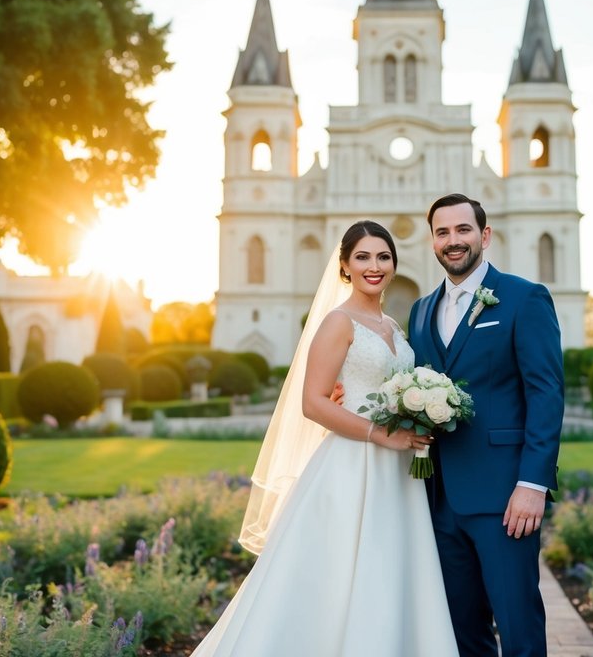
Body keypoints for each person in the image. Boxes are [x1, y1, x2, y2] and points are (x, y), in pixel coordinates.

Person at [193, 220, 459, 656]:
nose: (374, 266)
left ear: (394, 265)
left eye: (383, 257)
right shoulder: (338, 322)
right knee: (338, 575)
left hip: (399, 471)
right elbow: (314, 403)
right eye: (363, 257)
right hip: (353, 464)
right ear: (345, 266)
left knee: (392, 568)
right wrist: (379, 435)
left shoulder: (394, 327)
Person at [408, 194, 565, 657]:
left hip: (505, 496)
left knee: (517, 625)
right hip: (438, 497)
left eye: (462, 230)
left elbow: (546, 393)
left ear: (485, 235)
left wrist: (533, 482)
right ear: (433, 241)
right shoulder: (420, 310)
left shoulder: (523, 297)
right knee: (463, 630)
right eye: (442, 232)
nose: (453, 241)